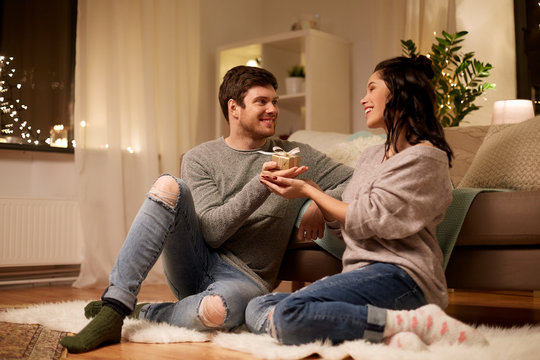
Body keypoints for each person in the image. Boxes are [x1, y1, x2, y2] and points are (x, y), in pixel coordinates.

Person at [60, 65, 353, 353]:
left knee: (215, 312)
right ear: (234, 108)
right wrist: (261, 183)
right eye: (261, 102)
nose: (273, 109)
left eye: (275, 101)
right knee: (168, 185)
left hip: (247, 278)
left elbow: (355, 178)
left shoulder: (296, 155)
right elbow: (212, 232)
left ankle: (146, 312)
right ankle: (115, 307)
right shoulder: (200, 157)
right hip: (195, 261)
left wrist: (318, 200)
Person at [246, 56, 488, 348]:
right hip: (358, 275)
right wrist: (314, 194)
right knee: (257, 306)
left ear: (399, 93)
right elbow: (348, 227)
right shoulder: (371, 156)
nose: (364, 99)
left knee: (287, 316)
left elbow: (369, 218)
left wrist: (311, 193)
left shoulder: (426, 158)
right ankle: (394, 333)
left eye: (371, 88)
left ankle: (421, 320)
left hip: (402, 277)